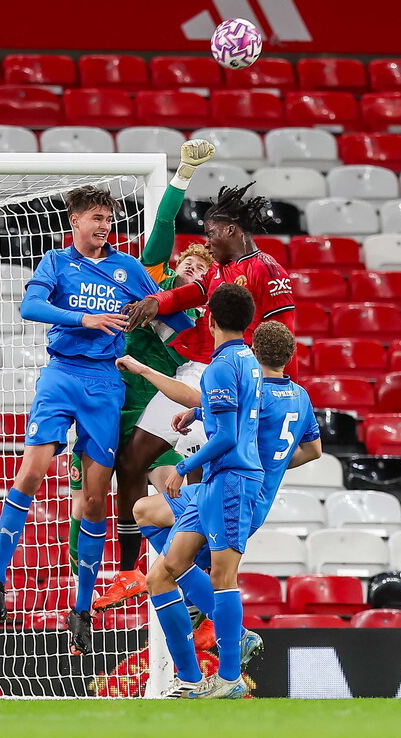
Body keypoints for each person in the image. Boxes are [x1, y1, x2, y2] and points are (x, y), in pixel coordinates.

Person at [0, 185, 193, 656]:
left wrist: (201, 326)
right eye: (96, 217)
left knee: (95, 501)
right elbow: (30, 307)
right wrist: (86, 319)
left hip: (105, 385)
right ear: (74, 221)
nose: (103, 225)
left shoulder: (129, 269)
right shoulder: (55, 263)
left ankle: (81, 609)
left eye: (108, 218)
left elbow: (177, 320)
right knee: (32, 471)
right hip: (61, 375)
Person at [112, 185, 295, 610]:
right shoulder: (222, 271)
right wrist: (157, 302)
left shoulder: (267, 270)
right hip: (198, 374)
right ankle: (128, 571)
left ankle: (200, 589)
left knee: (207, 488)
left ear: (230, 228)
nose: (207, 241)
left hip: (237, 385)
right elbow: (191, 295)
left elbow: (284, 338)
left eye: (211, 232)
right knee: (132, 460)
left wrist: (280, 392)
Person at [122, 320, 322, 650]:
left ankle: (226, 639)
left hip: (232, 491)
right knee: (145, 510)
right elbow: (313, 451)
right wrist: (272, 464)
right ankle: (199, 603)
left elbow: (215, 415)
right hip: (251, 492)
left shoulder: (256, 393)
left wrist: (146, 373)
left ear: (254, 352)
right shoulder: (300, 397)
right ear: (289, 356)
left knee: (178, 573)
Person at [86, 140, 214, 611]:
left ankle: (197, 581)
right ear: (174, 266)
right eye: (188, 262)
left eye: (202, 268)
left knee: (185, 485)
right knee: (131, 471)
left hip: (188, 388)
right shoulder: (150, 282)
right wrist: (181, 177)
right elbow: (160, 228)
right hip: (133, 392)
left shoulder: (200, 310)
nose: (193, 269)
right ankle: (131, 571)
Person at [137, 283, 263, 699]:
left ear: (209, 320)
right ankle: (190, 680)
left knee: (224, 579)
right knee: (161, 574)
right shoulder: (248, 360)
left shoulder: (221, 367)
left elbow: (227, 434)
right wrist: (197, 409)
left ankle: (227, 679)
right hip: (219, 482)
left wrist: (184, 466)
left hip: (229, 481)